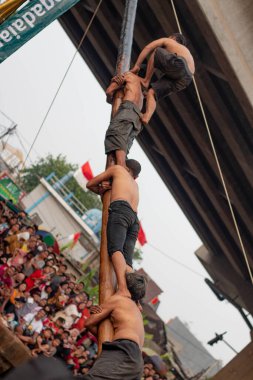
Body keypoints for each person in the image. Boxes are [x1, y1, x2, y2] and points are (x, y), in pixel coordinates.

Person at [86, 160, 141, 298]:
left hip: (121, 211)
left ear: (125, 167)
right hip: (134, 219)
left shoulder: (117, 169)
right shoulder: (135, 185)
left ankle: (123, 288)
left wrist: (102, 190)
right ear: (136, 176)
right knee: (127, 260)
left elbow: (90, 183)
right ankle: (136, 299)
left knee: (115, 249)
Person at [83, 272, 146, 380]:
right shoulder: (137, 311)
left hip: (124, 352)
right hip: (137, 363)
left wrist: (95, 315)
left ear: (123, 284)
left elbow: (89, 323)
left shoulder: (118, 299)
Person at [131, 33, 195, 124]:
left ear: (173, 37)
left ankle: (146, 81)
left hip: (180, 65)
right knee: (152, 93)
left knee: (157, 50)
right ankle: (147, 116)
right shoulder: (184, 51)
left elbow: (148, 47)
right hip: (186, 79)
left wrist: (137, 65)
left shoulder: (169, 41)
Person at [105, 71, 146, 167]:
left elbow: (109, 92)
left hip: (128, 110)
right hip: (137, 117)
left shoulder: (128, 75)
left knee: (115, 136)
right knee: (123, 149)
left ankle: (120, 171)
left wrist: (115, 84)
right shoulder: (142, 90)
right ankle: (122, 173)